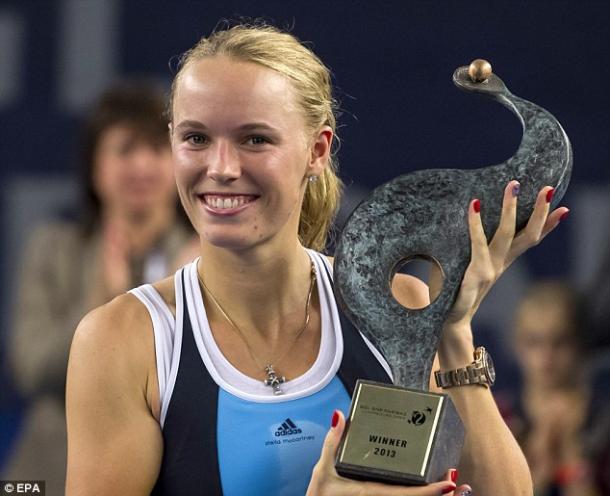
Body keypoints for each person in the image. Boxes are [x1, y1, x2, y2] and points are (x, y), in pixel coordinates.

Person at [65, 23, 569, 496]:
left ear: (317, 150)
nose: (220, 167)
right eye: (196, 138)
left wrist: (453, 334)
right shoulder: (125, 340)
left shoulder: (399, 302)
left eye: (254, 139)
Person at [4, 82, 196, 494]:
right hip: (50, 474)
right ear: (95, 166)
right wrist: (101, 304)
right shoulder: (54, 248)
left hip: (170, 473)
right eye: (126, 149)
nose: (142, 165)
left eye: (156, 149)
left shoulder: (207, 257)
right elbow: (32, 369)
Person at [506, 281, 605, 496]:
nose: (546, 357)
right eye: (534, 342)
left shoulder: (604, 422)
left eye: (560, 342)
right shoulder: (499, 418)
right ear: (517, 345)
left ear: (581, 345)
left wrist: (570, 452)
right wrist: (538, 467)